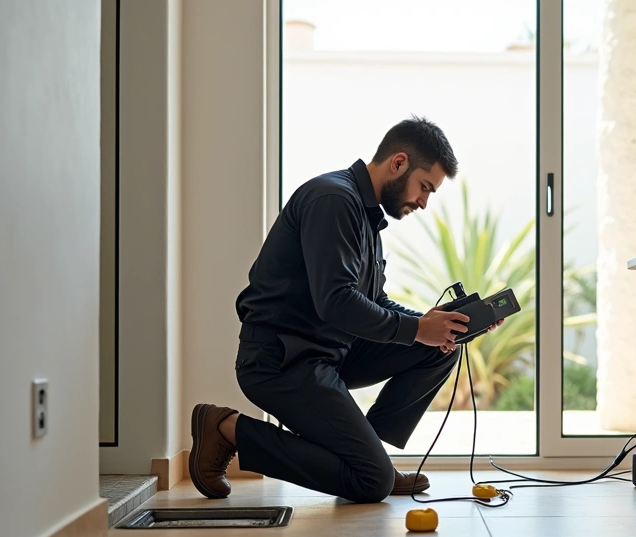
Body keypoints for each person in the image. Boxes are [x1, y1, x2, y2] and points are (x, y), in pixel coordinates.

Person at [188, 116, 501, 503]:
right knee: (372, 483)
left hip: (332, 353)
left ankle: (367, 452)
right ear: (398, 162)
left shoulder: (367, 218)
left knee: (436, 350)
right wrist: (418, 329)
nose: (423, 202)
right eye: (425, 187)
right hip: (279, 359)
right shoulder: (333, 201)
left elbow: (374, 302)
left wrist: (435, 325)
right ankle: (226, 427)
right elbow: (336, 302)